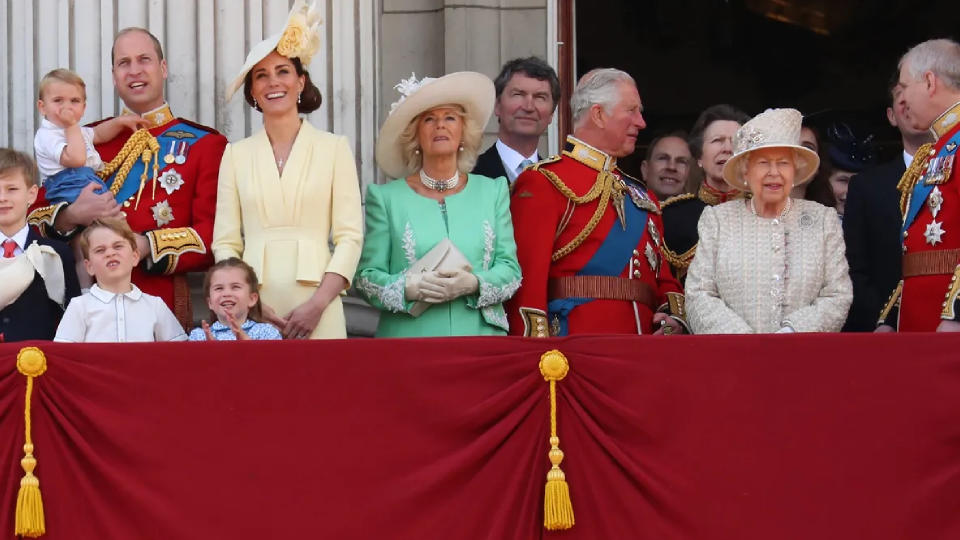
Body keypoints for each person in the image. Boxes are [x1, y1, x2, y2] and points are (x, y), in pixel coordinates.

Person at [28, 28, 228, 329]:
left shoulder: (205, 144)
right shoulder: (84, 140)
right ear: (113, 74)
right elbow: (30, 215)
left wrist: (145, 245)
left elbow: (214, 236)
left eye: (144, 59)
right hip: (87, 307)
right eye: (124, 63)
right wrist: (70, 215)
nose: (134, 70)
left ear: (163, 68)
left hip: (160, 304)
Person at [214, 0, 363, 340]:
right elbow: (225, 242)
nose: (272, 82)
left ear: (300, 82)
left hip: (320, 302)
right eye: (261, 76)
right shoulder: (235, 155)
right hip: (253, 303)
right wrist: (248, 304)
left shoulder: (334, 147)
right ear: (252, 91)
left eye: (282, 71)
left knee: (324, 391)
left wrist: (319, 304)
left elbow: (349, 237)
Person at [506, 68, 685, 337]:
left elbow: (664, 280)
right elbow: (526, 287)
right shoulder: (544, 182)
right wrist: (536, 357)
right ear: (599, 114)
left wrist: (673, 317)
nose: (641, 122)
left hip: (646, 354)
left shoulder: (641, 196)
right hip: (576, 353)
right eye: (631, 111)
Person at [356, 71, 521, 337]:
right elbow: (366, 278)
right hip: (410, 344)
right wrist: (409, 287)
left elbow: (510, 271)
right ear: (416, 136)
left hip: (480, 340)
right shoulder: (386, 198)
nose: (440, 125)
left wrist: (474, 283)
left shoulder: (493, 191)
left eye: (450, 118)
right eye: (429, 119)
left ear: (463, 132)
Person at [685, 108, 853, 334]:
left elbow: (838, 294)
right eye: (763, 163)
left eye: (783, 163)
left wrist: (792, 332)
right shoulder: (718, 220)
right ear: (746, 171)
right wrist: (743, 339)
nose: (774, 172)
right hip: (733, 358)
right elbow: (699, 293)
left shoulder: (822, 219)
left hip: (803, 356)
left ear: (794, 171)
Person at [879, 39, 960, 333]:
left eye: (904, 87)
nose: (902, 100)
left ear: (929, 82)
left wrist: (956, 314)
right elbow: (916, 254)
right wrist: (890, 319)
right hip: (920, 326)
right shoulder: (934, 151)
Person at [843, 74, 935, 332]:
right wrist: (884, 321)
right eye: (899, 98)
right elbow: (854, 267)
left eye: (916, 94)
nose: (907, 103)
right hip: (886, 336)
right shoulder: (866, 186)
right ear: (891, 116)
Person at [54, 217, 187, 342]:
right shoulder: (79, 307)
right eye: (100, 250)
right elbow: (65, 356)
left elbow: (178, 353)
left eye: (118, 246)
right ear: (89, 267)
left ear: (135, 257)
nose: (110, 253)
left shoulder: (155, 306)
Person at [660, 104, 750, 281]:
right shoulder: (672, 216)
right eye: (717, 140)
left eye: (736, 142)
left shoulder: (765, 212)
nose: (727, 148)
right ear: (699, 157)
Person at [0, 149, 80, 342]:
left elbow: (71, 319)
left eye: (12, 189)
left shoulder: (57, 254)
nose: (2, 197)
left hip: (39, 365)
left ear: (32, 194)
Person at [472, 57, 560, 184]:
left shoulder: (559, 183)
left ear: (552, 113)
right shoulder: (467, 176)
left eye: (540, 97)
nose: (528, 107)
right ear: (497, 105)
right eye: (518, 94)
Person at [189, 258, 282, 341]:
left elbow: (271, 360)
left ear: (252, 299)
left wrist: (248, 346)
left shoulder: (266, 333)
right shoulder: (198, 337)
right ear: (210, 303)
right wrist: (209, 352)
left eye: (235, 287)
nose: (226, 294)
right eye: (219, 288)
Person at [640, 131, 693, 201]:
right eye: (663, 158)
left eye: (681, 161)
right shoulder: (623, 209)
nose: (672, 167)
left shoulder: (705, 211)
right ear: (645, 170)